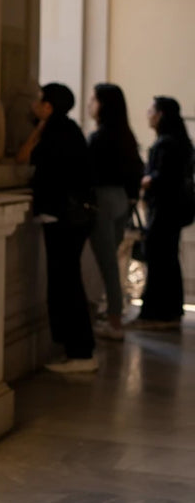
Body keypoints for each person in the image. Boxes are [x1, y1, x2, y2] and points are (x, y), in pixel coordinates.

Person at [17, 82, 98, 373]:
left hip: (63, 217)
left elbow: (23, 156)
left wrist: (40, 128)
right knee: (68, 282)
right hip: (73, 218)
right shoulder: (68, 129)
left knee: (66, 283)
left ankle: (80, 353)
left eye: (39, 100)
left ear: (48, 106)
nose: (34, 104)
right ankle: (79, 351)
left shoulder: (54, 131)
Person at [86, 84, 144, 340]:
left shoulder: (100, 137)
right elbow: (136, 169)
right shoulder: (125, 135)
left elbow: (88, 171)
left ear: (103, 105)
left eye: (93, 99)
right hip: (122, 199)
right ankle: (113, 316)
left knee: (108, 264)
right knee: (111, 263)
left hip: (104, 199)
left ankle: (114, 321)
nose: (90, 104)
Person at [131, 96, 194, 329]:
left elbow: (164, 178)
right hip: (173, 211)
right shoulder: (179, 142)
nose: (148, 114)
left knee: (159, 261)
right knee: (167, 260)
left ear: (160, 115)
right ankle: (169, 313)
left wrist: (147, 181)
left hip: (164, 211)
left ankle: (157, 314)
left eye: (151, 110)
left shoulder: (167, 144)